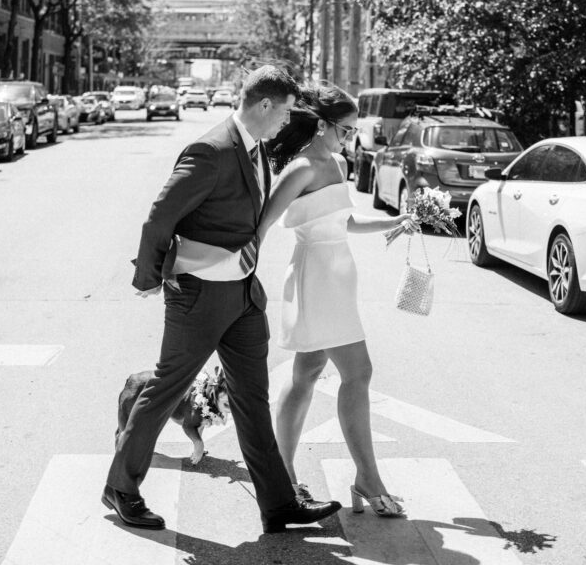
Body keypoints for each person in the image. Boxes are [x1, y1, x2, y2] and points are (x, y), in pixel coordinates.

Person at [104, 65, 342, 534]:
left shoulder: (255, 150)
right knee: (165, 391)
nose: (284, 123)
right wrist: (149, 278)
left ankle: (277, 504)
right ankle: (122, 488)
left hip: (243, 296)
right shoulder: (210, 150)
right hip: (199, 297)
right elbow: (160, 218)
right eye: (284, 112)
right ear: (265, 105)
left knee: (252, 398)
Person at [261, 83, 416, 518]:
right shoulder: (302, 168)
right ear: (324, 124)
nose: (350, 137)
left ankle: (283, 474)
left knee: (307, 371)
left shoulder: (337, 161)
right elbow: (262, 224)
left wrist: (395, 221)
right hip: (315, 276)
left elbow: (343, 220)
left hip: (338, 273)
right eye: (346, 129)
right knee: (358, 372)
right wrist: (238, 275)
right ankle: (367, 477)